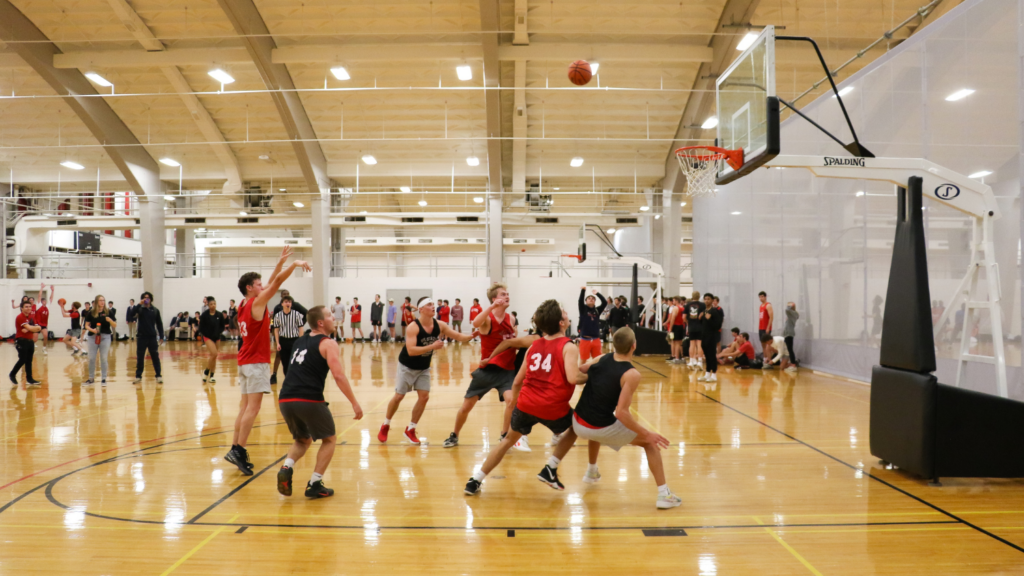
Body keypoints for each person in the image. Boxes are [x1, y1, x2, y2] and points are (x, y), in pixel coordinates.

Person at [464, 300, 584, 495]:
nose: (567, 314)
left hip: (526, 404)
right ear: (561, 323)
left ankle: (475, 479)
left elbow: (518, 381)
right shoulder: (568, 346)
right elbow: (573, 377)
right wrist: (591, 374)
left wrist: (516, 404)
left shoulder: (534, 346)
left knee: (507, 441)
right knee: (576, 426)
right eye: (564, 313)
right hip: (552, 407)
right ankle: (550, 468)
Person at [225, 247, 311, 476]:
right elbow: (275, 284)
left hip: (245, 361)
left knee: (244, 408)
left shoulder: (243, 304)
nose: (263, 286)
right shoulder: (256, 303)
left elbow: (272, 281)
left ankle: (235, 447)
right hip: (255, 362)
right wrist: (293, 265)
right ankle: (240, 449)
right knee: (252, 408)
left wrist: (280, 263)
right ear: (249, 288)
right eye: (259, 284)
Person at [574, 327, 681, 508]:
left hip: (578, 421)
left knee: (597, 420)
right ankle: (664, 495)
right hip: (596, 427)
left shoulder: (602, 357)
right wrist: (646, 433)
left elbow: (582, 369)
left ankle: (592, 471)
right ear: (634, 346)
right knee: (649, 443)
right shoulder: (631, 374)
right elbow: (621, 413)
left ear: (614, 344)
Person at [276, 306, 363, 499]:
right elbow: (338, 375)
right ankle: (315, 483)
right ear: (321, 323)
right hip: (308, 398)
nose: (334, 317)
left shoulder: (299, 341)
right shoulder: (328, 343)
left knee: (302, 439)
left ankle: (286, 467)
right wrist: (354, 402)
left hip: (285, 398)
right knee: (329, 439)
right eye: (330, 315)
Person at [379, 297, 476, 445]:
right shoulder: (413, 326)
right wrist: (432, 347)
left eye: (433, 304)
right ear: (421, 309)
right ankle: (386, 424)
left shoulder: (440, 325)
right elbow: (411, 350)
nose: (433, 306)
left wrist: (471, 336)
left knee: (424, 397)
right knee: (399, 397)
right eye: (429, 304)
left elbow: (457, 336)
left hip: (423, 367)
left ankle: (410, 429)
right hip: (407, 366)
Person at [444, 283, 519, 449]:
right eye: (503, 294)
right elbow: (476, 322)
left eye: (508, 294)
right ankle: (454, 435)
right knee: (466, 407)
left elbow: (513, 340)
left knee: (511, 401)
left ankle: (504, 436)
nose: (507, 296)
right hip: (487, 370)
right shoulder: (487, 318)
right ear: (494, 299)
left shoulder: (511, 319)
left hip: (506, 371)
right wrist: (492, 307)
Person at [133, 291, 165, 385]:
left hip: (152, 337)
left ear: (151, 299)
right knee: (140, 357)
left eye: (148, 298)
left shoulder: (155, 310)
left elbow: (159, 324)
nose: (146, 299)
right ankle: (138, 376)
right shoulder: (139, 309)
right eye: (144, 298)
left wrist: (161, 336)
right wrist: (139, 304)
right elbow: (131, 313)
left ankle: (158, 375)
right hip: (141, 337)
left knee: (155, 357)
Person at [84, 295, 116, 386]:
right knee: (91, 358)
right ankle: (91, 378)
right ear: (97, 301)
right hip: (93, 336)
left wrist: (110, 320)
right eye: (100, 300)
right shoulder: (91, 312)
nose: (102, 302)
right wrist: (92, 330)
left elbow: (115, 325)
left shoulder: (109, 312)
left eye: (103, 300)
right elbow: (86, 326)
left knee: (103, 357)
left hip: (105, 337)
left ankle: (104, 379)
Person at [273, 296, 306, 382]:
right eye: (286, 302)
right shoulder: (277, 316)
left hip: (294, 340)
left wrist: (300, 341)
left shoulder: (297, 314)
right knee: (285, 362)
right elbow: (276, 330)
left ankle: (295, 380)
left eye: (290, 302)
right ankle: (288, 380)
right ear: (282, 304)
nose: (288, 303)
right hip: (283, 340)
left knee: (295, 362)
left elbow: (301, 328)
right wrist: (277, 343)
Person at [10, 300, 41, 386]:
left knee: (29, 360)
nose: (28, 308)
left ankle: (29, 379)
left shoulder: (31, 317)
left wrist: (31, 328)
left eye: (29, 306)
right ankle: (12, 374)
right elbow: (34, 328)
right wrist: (32, 328)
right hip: (21, 341)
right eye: (26, 307)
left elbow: (38, 327)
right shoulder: (20, 317)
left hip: (30, 341)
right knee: (23, 359)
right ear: (21, 308)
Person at [199, 296, 228, 384]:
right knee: (214, 353)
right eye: (211, 304)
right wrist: (206, 334)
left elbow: (222, 326)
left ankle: (212, 375)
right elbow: (201, 327)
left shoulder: (219, 315)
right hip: (208, 337)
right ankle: (206, 372)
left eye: (214, 304)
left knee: (214, 356)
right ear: (208, 305)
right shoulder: (204, 315)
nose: (213, 305)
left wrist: (218, 332)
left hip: (217, 337)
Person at [577, 287, 607, 362]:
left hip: (596, 339)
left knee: (597, 360)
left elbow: (604, 302)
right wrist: (583, 290)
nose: (591, 299)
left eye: (593, 299)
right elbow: (580, 300)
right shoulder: (583, 309)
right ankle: (582, 373)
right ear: (586, 301)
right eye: (589, 298)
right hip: (585, 340)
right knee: (583, 360)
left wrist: (597, 293)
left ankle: (596, 373)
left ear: (594, 301)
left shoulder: (597, 310)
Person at [699, 293, 723, 383]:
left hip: (712, 337)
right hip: (704, 336)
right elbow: (704, 325)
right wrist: (701, 318)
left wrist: (709, 319)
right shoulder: (704, 311)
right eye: (705, 299)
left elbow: (718, 326)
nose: (706, 301)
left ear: (712, 300)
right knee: (707, 356)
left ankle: (714, 375)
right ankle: (707, 373)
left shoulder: (714, 311)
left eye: (708, 299)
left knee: (712, 356)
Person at [685, 290, 705, 368]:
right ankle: (700, 361)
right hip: (700, 326)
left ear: (692, 296)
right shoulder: (703, 305)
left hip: (691, 327)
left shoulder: (688, 305)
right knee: (699, 344)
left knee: (692, 344)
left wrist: (688, 323)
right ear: (699, 296)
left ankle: (691, 361)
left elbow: (684, 317)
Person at [665, 296, 685, 363]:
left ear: (676, 301)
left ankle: (676, 358)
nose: (673, 302)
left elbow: (673, 318)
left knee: (675, 343)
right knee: (680, 343)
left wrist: (670, 328)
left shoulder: (675, 308)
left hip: (676, 326)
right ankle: (681, 357)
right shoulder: (682, 308)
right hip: (682, 326)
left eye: (673, 300)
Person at [35, 284, 53, 354]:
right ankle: (32, 346)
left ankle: (44, 348)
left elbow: (51, 299)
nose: (44, 302)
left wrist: (52, 291)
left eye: (45, 301)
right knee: (35, 339)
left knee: (46, 336)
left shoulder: (47, 307)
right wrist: (41, 288)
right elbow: (39, 296)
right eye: (43, 301)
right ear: (41, 302)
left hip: (44, 325)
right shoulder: (39, 305)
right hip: (37, 324)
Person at [784, 302, 799, 366]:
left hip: (789, 333)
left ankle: (793, 363)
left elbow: (786, 310)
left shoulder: (794, 313)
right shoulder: (791, 314)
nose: (788, 306)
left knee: (790, 349)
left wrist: (789, 306)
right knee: (788, 349)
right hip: (787, 333)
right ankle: (791, 361)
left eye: (789, 305)